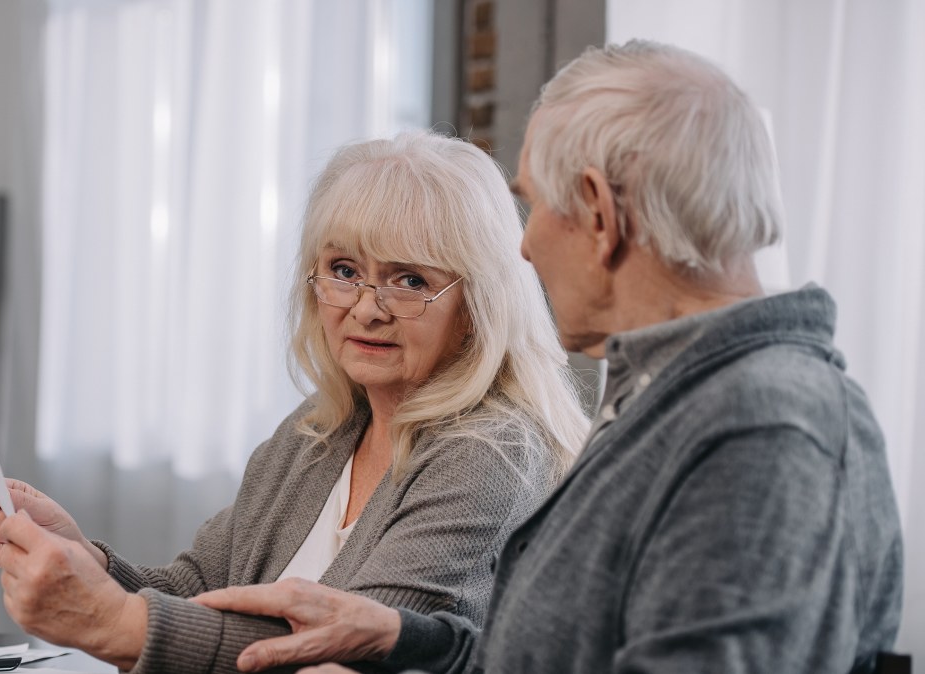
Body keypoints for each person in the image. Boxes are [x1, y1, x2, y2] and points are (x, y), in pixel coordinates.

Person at [192, 40, 904, 674]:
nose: (525, 249)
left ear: (598, 213)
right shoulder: (680, 395)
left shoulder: (761, 426)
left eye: (533, 207)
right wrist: (402, 638)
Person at [0, 131, 590, 672]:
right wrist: (88, 561)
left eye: (410, 280)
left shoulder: (491, 453)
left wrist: (111, 621)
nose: (367, 308)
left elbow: (346, 654)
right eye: (344, 270)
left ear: (478, 307)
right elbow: (199, 589)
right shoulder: (320, 430)